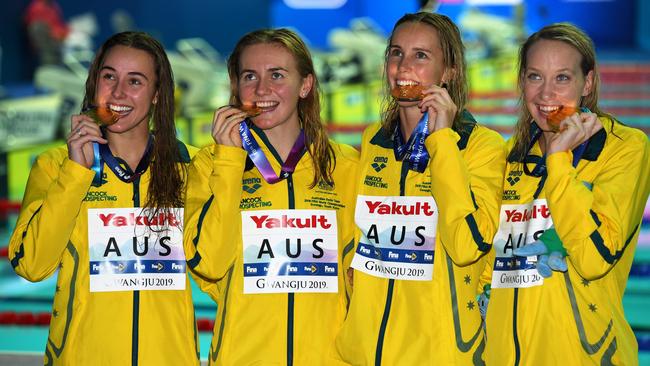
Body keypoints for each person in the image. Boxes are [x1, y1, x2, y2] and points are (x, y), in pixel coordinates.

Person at [8, 31, 206, 364]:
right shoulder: (55, 167)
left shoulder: (190, 167)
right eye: (109, 77)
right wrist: (76, 172)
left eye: (135, 81)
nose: (118, 92)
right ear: (94, 83)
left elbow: (217, 269)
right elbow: (31, 265)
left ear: (158, 94)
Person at [335, 12, 506, 365]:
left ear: (449, 72)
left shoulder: (482, 147)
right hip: (367, 350)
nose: (403, 67)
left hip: (439, 351)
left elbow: (469, 245)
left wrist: (442, 141)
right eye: (396, 53)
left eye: (420, 56)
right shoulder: (374, 141)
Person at [183, 28, 359, 365]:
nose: (262, 89)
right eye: (250, 76)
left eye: (277, 75)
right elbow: (209, 265)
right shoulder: (210, 165)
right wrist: (231, 162)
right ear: (236, 87)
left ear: (305, 85)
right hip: (243, 355)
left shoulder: (346, 167)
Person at [479, 23, 650, 365]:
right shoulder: (510, 156)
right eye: (534, 77)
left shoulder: (625, 149)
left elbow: (592, 259)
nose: (545, 95)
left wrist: (558, 161)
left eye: (562, 78)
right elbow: (493, 259)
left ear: (587, 83)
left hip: (582, 354)